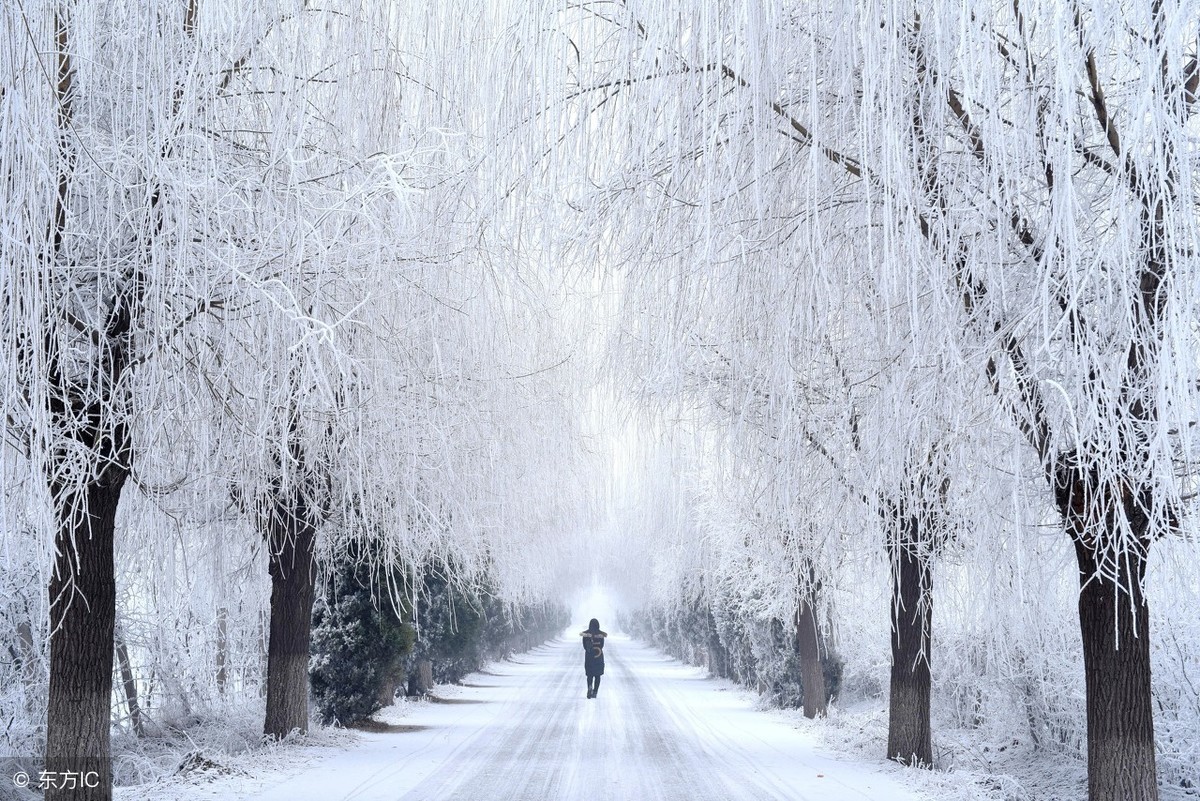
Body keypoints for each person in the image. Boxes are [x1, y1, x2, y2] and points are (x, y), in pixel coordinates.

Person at [581, 618, 607, 698]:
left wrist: (589, 650)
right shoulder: (601, 635)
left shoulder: (585, 635)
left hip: (589, 657)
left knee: (590, 675)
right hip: (598, 656)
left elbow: (584, 646)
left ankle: (589, 687)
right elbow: (602, 645)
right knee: (597, 675)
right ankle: (595, 691)